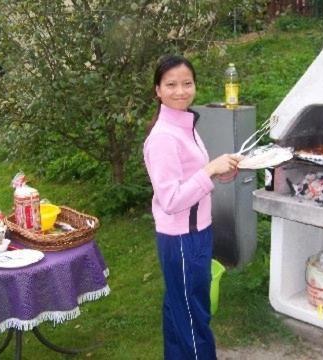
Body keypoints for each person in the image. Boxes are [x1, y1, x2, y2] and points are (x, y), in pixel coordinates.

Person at [143, 54, 242, 360]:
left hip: (196, 233)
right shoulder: (162, 137)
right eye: (171, 84)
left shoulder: (185, 124)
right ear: (158, 90)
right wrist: (209, 170)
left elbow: (192, 179)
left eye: (187, 83)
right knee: (193, 319)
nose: (180, 91)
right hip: (183, 240)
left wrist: (220, 172)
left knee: (177, 312)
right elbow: (171, 200)